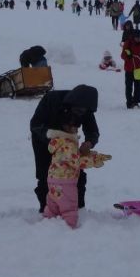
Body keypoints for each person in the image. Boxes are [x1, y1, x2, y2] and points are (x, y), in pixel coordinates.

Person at [30, 85, 101, 213]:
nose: (81, 114)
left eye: (83, 112)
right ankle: (46, 209)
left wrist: (89, 142)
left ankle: (78, 208)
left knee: (75, 173)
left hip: (69, 144)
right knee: (45, 174)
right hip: (43, 140)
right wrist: (52, 135)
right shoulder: (51, 99)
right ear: (72, 103)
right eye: (78, 111)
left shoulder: (86, 108)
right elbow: (35, 124)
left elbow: (92, 130)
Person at [44, 120, 111, 228]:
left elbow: (71, 157)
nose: (77, 129)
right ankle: (69, 227)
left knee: (53, 205)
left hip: (52, 181)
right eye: (75, 127)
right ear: (67, 128)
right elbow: (76, 161)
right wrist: (95, 160)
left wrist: (90, 154)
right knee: (69, 206)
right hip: (66, 183)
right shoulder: (68, 144)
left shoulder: (57, 142)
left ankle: (46, 223)